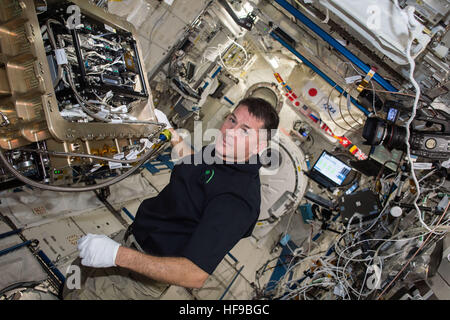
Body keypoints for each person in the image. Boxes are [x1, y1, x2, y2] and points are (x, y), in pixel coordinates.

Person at [63, 97, 279, 300]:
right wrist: (171, 133)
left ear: (260, 146)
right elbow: (193, 166)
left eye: (245, 131)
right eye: (232, 120)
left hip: (137, 274)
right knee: (71, 284)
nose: (230, 132)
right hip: (128, 239)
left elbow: (194, 274)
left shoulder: (238, 201)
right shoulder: (221, 152)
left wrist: (116, 256)